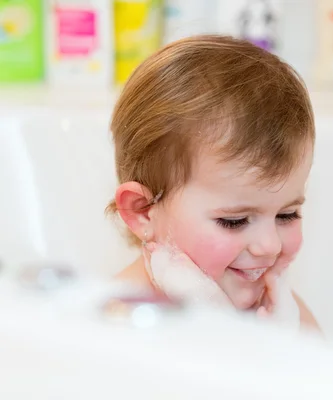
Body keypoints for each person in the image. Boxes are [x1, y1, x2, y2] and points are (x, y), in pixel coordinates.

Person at [106, 35, 319, 331]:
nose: (269, 246)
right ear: (143, 211)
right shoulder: (122, 315)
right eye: (235, 221)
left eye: (287, 215)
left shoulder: (279, 310)